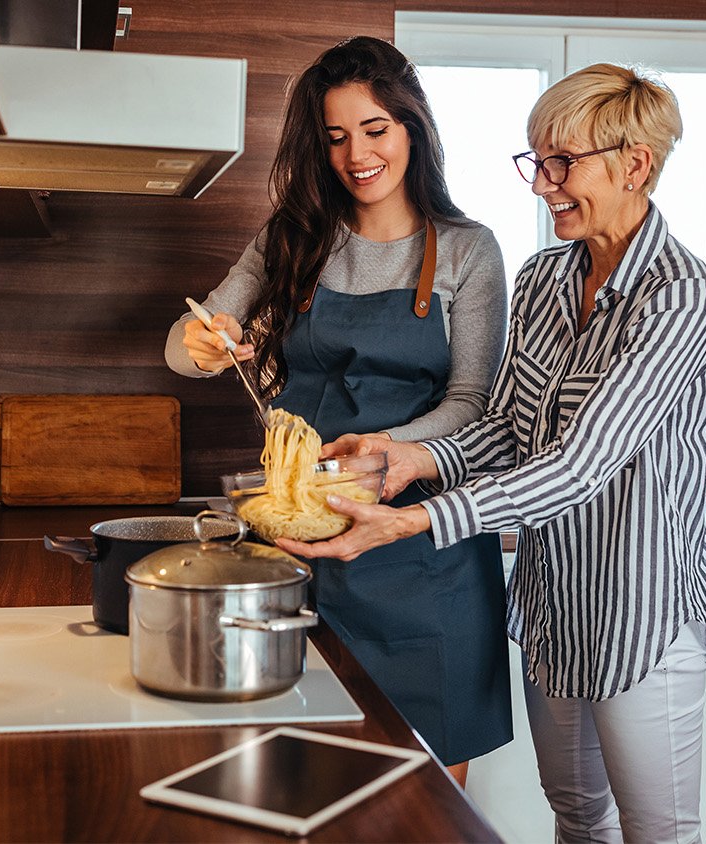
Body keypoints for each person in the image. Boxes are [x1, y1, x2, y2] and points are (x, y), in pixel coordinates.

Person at [277, 63, 706, 842]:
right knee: (577, 820)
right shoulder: (545, 280)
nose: (543, 184)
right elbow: (510, 430)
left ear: (635, 165)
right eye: (537, 162)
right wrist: (404, 459)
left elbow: (580, 465)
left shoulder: (680, 296)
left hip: (642, 608)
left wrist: (410, 523)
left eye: (563, 162)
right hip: (554, 603)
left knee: (657, 834)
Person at [165, 35, 513, 784]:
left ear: (413, 128)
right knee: (294, 777)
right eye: (335, 137)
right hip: (293, 547)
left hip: (422, 557)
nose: (357, 154)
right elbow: (184, 341)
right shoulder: (293, 240)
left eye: (375, 129)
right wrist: (202, 342)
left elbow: (473, 404)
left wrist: (378, 451)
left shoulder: (467, 251)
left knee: (427, 804)